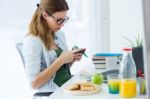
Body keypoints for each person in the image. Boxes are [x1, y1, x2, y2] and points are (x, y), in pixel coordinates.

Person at [22, 0, 84, 93]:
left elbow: (59, 72)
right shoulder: (32, 42)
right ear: (45, 15)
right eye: (59, 20)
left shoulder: (60, 35)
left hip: (68, 87)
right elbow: (34, 84)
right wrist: (61, 60)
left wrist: (71, 59)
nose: (62, 24)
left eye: (64, 20)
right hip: (53, 93)